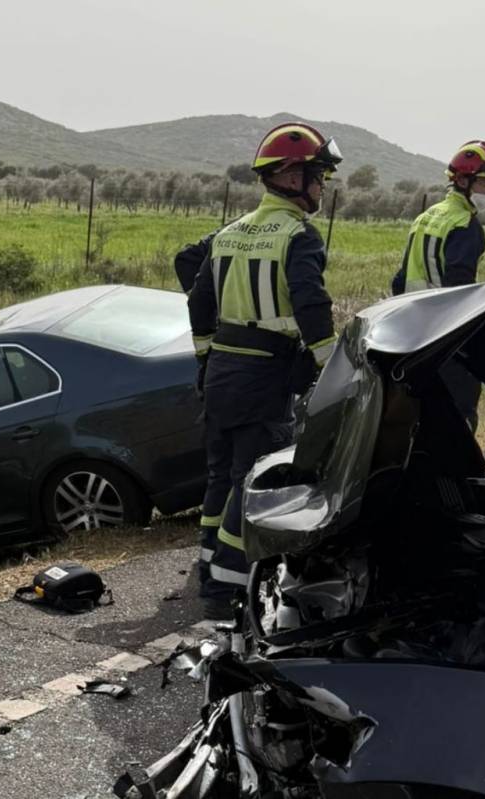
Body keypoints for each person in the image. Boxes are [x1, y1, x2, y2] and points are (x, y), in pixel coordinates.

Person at [187, 122, 341, 618]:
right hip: (265, 375)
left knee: (219, 475)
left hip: (221, 372)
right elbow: (311, 304)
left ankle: (208, 562)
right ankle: (228, 591)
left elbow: (199, 302)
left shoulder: (229, 233)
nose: (322, 186)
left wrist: (205, 358)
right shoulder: (299, 235)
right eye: (318, 176)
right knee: (252, 483)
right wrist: (332, 364)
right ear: (292, 177)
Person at [390, 140, 485, 431]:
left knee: (419, 418)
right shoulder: (465, 225)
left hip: (414, 333)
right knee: (458, 419)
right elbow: (460, 288)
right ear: (462, 180)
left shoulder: (427, 216)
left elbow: (400, 279)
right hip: (448, 338)